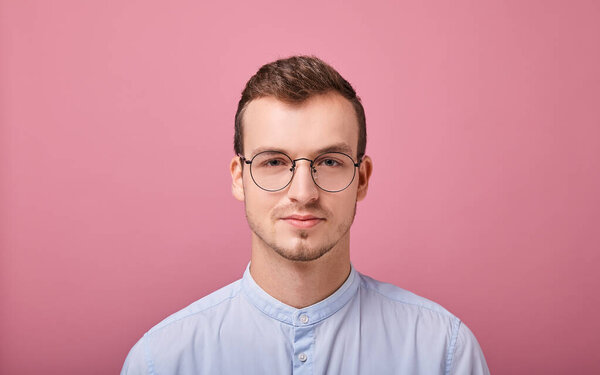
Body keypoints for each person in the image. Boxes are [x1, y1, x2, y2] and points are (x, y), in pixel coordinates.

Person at [121, 55, 490, 375]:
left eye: (329, 161)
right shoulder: (161, 361)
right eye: (274, 162)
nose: (303, 193)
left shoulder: (444, 353)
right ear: (239, 177)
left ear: (361, 179)